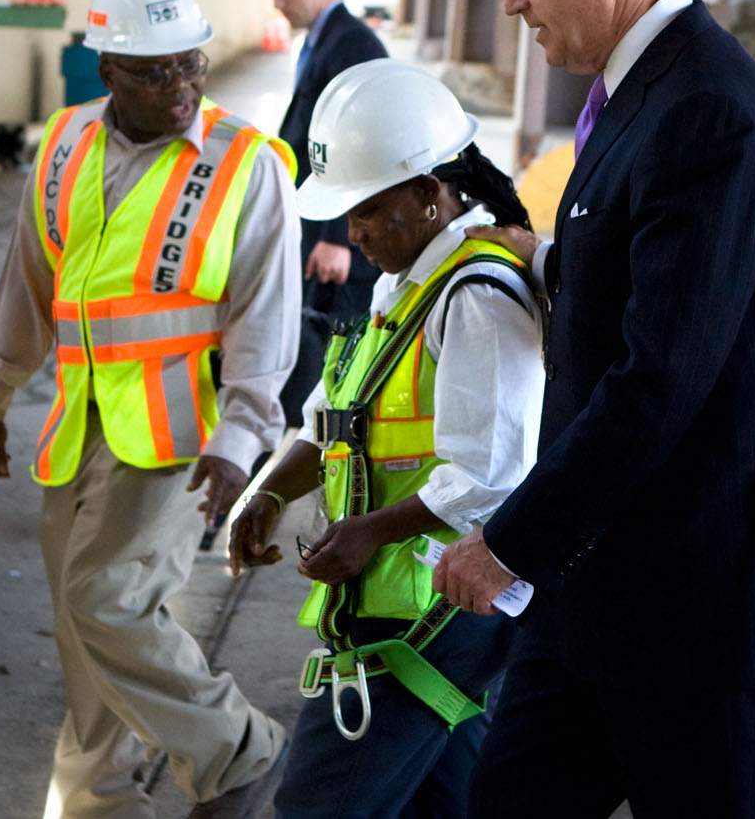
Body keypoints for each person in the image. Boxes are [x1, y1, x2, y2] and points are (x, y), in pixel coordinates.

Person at [430, 0, 755, 818]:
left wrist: (509, 542)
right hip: (602, 571)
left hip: (693, 591)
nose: (513, 2)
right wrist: (536, 258)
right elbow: (634, 275)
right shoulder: (636, 92)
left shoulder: (708, 114)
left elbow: (661, 377)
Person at [0, 0, 297, 818]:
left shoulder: (244, 163)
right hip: (77, 423)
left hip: (179, 434)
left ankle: (238, 750)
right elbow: (31, 280)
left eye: (192, 61)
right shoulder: (68, 140)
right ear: (107, 70)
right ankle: (97, 805)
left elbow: (267, 319)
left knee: (105, 600)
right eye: (157, 71)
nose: (182, 84)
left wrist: (241, 442)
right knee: (87, 641)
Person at [229, 59, 544, 819]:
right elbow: (334, 416)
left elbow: (492, 474)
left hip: (431, 616)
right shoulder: (403, 283)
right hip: (406, 608)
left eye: (367, 211)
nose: (354, 233)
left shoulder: (477, 296)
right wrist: (269, 490)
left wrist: (368, 532)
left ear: (431, 195)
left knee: (317, 803)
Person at [260, 0, 388, 423]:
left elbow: (363, 139)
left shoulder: (351, 42)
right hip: (319, 222)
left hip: (338, 235)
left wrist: (340, 238)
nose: (279, 2)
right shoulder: (321, 39)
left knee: (339, 349)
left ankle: (332, 442)